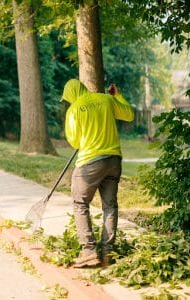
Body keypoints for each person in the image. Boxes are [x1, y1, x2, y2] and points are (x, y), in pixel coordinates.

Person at [61, 79, 134, 268]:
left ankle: (88, 251)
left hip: (89, 163)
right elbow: (129, 114)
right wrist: (117, 95)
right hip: (113, 160)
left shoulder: (74, 110)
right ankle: (108, 253)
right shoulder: (106, 99)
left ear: (71, 95)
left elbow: (75, 142)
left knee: (80, 203)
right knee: (110, 206)